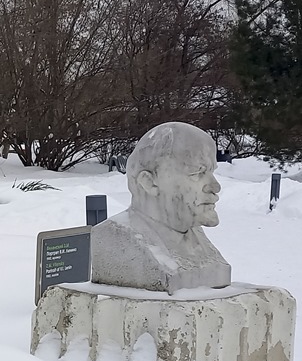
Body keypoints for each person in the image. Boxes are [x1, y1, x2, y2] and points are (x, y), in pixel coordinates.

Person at [90, 122, 232, 293]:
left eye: (212, 171)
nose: (215, 186)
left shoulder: (195, 236)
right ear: (149, 182)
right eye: (197, 173)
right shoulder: (114, 237)